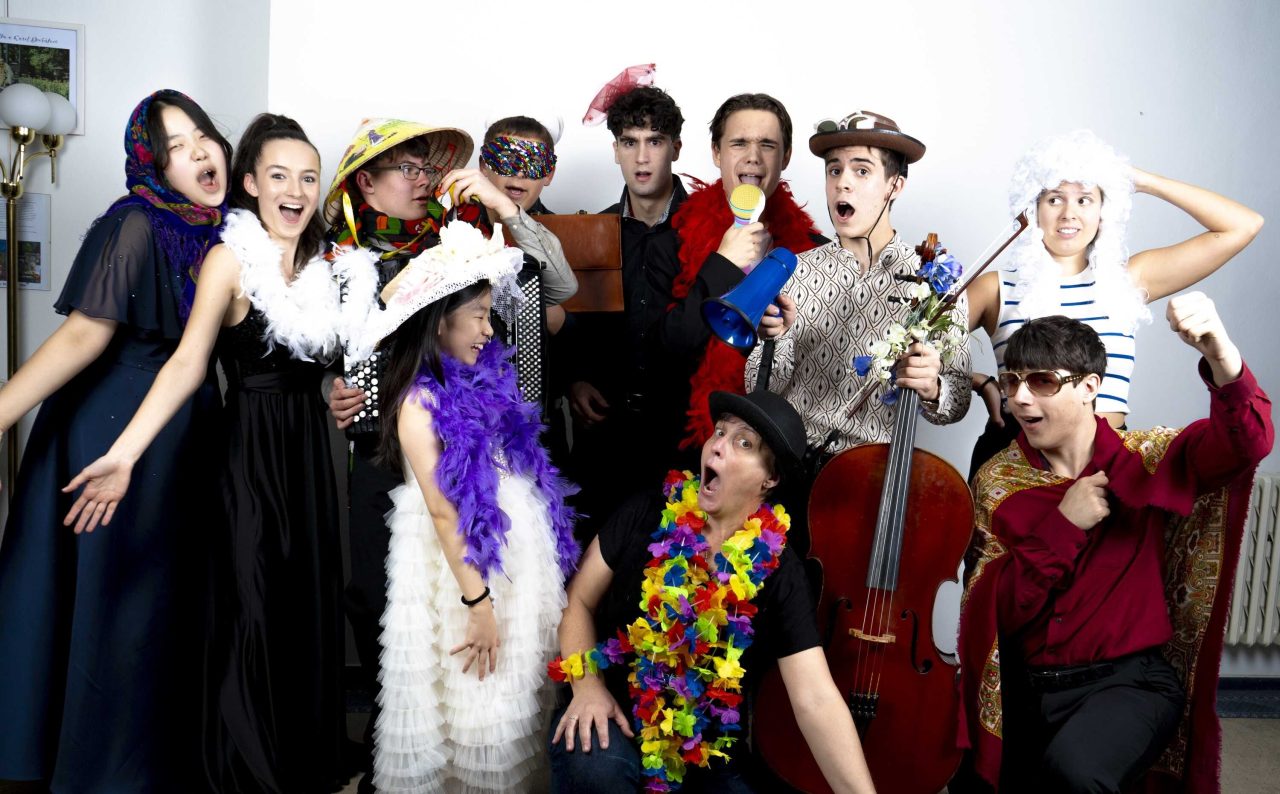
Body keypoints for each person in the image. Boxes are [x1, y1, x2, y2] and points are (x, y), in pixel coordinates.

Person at [62, 113, 356, 793]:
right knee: (251, 606)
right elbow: (188, 363)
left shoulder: (327, 266)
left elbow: (320, 367)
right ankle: (246, 775)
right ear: (250, 182)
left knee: (302, 603)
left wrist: (336, 392)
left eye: (308, 177)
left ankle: (300, 762)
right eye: (278, 175)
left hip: (309, 457)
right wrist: (125, 454)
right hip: (247, 453)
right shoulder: (229, 259)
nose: (295, 190)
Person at [0, 89, 228, 790]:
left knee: (157, 603)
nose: (197, 152)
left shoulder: (227, 232)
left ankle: (149, 761)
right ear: (153, 164)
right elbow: (82, 335)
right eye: (175, 146)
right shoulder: (134, 221)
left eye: (202, 136)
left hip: (179, 429)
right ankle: (96, 769)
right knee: (114, 600)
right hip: (110, 425)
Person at [958, 303, 1272, 793]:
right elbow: (996, 613)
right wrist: (1064, 525)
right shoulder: (997, 481)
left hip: (1128, 685)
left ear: (1089, 387)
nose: (1019, 397)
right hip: (1025, 689)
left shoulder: (1145, 457)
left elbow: (1246, 444)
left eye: (1042, 381)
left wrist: (1220, 354)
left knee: (1076, 773)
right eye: (1011, 380)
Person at [343, 219, 579, 792]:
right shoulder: (418, 403)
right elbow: (446, 512)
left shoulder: (487, 382)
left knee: (516, 699)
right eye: (477, 314)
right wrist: (478, 604)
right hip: (462, 576)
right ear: (439, 319)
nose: (488, 328)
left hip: (509, 568)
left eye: (490, 313)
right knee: (473, 701)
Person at [549, 389, 877, 793]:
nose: (719, 445)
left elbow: (815, 698)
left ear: (770, 479)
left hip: (703, 749)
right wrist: (587, 687)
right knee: (596, 773)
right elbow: (577, 598)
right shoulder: (648, 511)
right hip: (614, 713)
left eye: (744, 443)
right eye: (719, 432)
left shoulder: (779, 568)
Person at [966, 130, 1264, 477]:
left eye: (1085, 200)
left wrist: (1141, 181)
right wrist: (980, 382)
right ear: (1033, 206)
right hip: (1015, 460)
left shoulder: (1130, 279)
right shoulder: (995, 287)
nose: (1068, 214)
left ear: (1104, 210)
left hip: (1107, 461)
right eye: (1054, 199)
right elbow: (921, 344)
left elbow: (1242, 226)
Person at [747, 109, 970, 455]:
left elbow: (958, 401)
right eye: (834, 170)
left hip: (873, 473)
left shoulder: (936, 280)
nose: (842, 183)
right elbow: (758, 390)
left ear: (895, 186)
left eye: (862, 171)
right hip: (792, 462)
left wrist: (934, 388)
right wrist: (776, 339)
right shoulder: (794, 271)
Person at [561, 84, 690, 537]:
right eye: (629, 142)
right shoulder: (591, 230)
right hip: (604, 438)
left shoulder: (709, 232)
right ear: (615, 150)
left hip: (681, 437)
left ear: (676, 148)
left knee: (672, 566)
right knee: (587, 560)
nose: (642, 157)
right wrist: (574, 379)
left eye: (655, 141)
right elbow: (571, 325)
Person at [670, 94, 825, 450]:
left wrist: (788, 333)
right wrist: (721, 265)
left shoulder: (815, 253)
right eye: (739, 143)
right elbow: (661, 354)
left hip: (775, 453)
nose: (753, 156)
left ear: (785, 157)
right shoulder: (673, 237)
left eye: (767, 145)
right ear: (716, 152)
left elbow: (823, 374)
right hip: (690, 445)